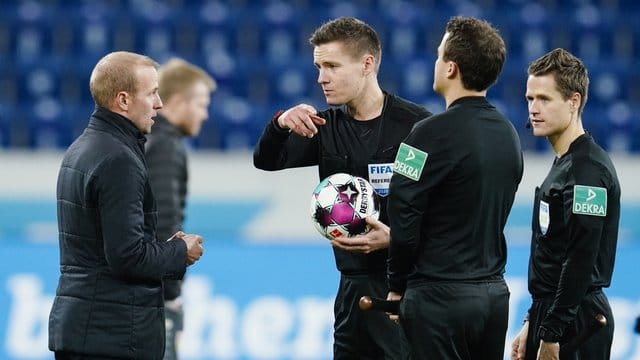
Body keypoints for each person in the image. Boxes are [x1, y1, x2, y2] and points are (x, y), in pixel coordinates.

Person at [253, 17, 432, 359]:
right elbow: (268, 161)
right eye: (319, 67)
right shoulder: (323, 127)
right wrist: (279, 124)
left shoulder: (416, 126)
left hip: (408, 291)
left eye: (332, 66)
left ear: (367, 64)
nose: (322, 77)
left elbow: (447, 209)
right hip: (351, 291)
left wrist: (397, 238)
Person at [374, 16, 522, 359]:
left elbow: (402, 216)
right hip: (494, 297)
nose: (436, 62)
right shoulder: (509, 135)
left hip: (439, 299)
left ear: (451, 68)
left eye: (440, 56)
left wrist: (396, 287)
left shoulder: (425, 134)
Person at [48, 51, 205, 360]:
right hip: (112, 336)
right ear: (123, 100)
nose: (160, 103)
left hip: (84, 329)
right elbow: (126, 255)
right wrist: (179, 251)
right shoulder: (119, 159)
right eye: (152, 93)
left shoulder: (82, 147)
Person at [511, 48, 620, 360]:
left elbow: (580, 260)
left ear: (574, 101)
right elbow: (553, 256)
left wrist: (552, 331)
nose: (533, 108)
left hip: (579, 322)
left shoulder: (587, 171)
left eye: (544, 99)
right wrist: (533, 319)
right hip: (554, 313)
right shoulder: (565, 163)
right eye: (530, 98)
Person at [145, 58, 216, 360]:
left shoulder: (146, 139)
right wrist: (171, 295)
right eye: (200, 104)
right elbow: (164, 225)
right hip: (155, 298)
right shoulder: (165, 145)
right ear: (177, 102)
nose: (205, 114)